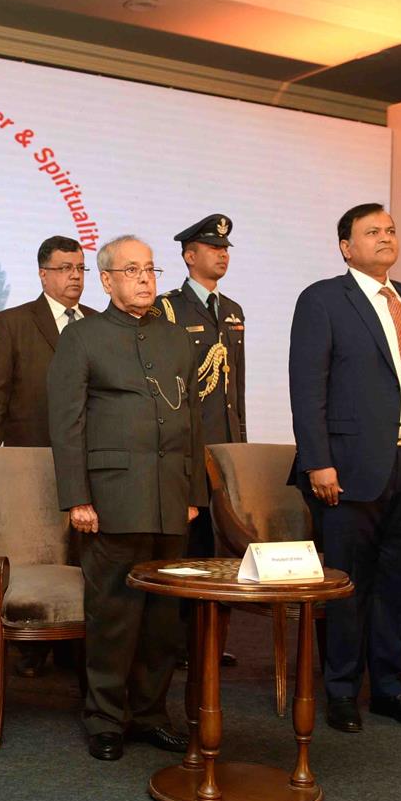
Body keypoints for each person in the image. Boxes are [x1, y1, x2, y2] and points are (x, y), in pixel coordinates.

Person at [287, 203, 401, 734]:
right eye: (372, 232)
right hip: (348, 467)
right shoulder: (323, 299)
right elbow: (307, 388)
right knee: (347, 584)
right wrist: (319, 462)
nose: (385, 237)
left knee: (396, 584)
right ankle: (338, 691)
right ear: (346, 246)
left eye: (391, 230)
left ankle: (388, 689)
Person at [48, 235, 205, 760]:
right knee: (113, 613)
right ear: (108, 280)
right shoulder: (84, 337)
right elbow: (66, 425)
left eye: (150, 269)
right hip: (110, 497)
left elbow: (193, 422)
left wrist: (193, 492)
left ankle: (151, 714)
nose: (143, 279)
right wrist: (77, 498)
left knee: (163, 620)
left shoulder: (177, 338)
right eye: (131, 270)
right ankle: (105, 718)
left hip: (169, 499)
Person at [0, 235, 96, 677]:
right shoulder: (13, 322)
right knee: (35, 551)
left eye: (81, 268)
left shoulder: (98, 323)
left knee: (80, 553)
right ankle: (29, 643)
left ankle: (73, 643)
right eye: (65, 268)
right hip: (30, 460)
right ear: (43, 273)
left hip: (87, 462)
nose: (75, 277)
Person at [158, 214, 247, 559]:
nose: (222, 254)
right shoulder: (169, 308)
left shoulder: (232, 310)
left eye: (225, 248)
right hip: (189, 444)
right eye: (213, 247)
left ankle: (218, 612)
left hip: (225, 445)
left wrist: (240, 440)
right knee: (189, 544)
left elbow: (235, 385)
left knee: (221, 541)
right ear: (189, 256)